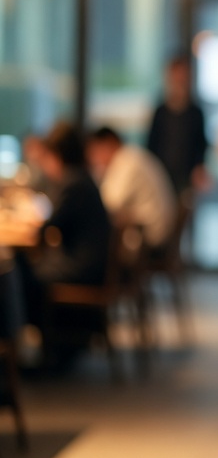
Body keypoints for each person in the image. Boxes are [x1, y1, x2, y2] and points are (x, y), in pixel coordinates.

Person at [14, 122, 112, 368]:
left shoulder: (72, 183)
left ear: (58, 154)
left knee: (19, 275)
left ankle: (32, 353)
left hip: (83, 269)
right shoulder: (81, 178)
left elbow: (47, 228)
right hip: (92, 265)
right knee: (24, 269)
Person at [86, 126, 178, 255]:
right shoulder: (133, 155)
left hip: (150, 234)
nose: (94, 159)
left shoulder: (126, 161)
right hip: (155, 228)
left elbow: (109, 203)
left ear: (109, 143)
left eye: (95, 152)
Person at [146, 54, 209, 205]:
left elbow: (201, 144)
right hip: (161, 174)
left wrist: (199, 168)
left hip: (186, 177)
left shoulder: (195, 112)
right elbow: (152, 143)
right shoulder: (161, 111)